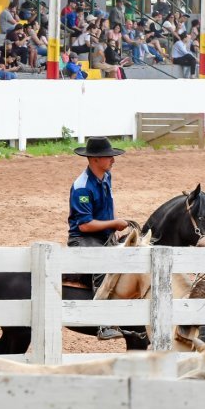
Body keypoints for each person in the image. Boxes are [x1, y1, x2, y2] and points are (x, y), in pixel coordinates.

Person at [68, 136, 129, 340]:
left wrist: (114, 227)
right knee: (103, 263)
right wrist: (113, 223)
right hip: (82, 238)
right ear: (94, 159)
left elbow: (109, 203)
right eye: (108, 156)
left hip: (103, 235)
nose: (113, 160)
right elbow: (84, 225)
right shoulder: (82, 187)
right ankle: (103, 323)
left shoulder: (106, 176)